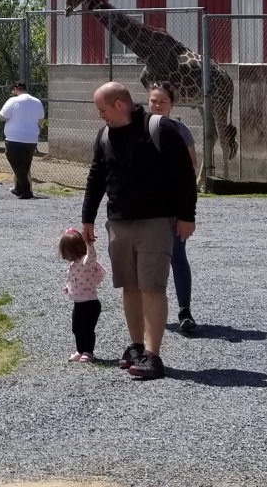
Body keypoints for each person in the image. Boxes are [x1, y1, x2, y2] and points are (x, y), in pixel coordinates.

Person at [81, 81, 196, 381]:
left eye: (102, 109)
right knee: (129, 285)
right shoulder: (105, 135)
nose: (100, 116)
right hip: (119, 222)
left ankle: (153, 356)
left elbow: (185, 175)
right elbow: (96, 177)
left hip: (156, 222)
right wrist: (87, 218)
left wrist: (187, 216)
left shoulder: (160, 129)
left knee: (152, 287)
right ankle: (135, 348)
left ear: (119, 104)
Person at [148, 83, 200, 335]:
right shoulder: (140, 128)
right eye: (153, 101)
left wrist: (185, 210)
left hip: (173, 206)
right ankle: (150, 310)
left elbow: (191, 166)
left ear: (172, 104)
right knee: (149, 259)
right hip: (148, 207)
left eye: (162, 102)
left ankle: (184, 311)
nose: (157, 105)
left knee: (177, 256)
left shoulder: (181, 131)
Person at [59, 227, 106, 363]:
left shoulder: (86, 262)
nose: (66, 255)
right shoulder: (73, 264)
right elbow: (74, 279)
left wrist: (90, 245)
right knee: (76, 328)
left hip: (90, 304)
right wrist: (69, 288)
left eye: (67, 252)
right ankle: (79, 350)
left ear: (76, 249)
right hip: (78, 303)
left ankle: (88, 352)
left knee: (87, 329)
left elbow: (92, 256)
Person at [0, 81, 45, 199]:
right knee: (25, 165)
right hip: (32, 138)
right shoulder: (36, 101)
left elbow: (2, 116)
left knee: (16, 165)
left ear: (15, 89)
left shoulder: (13, 100)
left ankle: (26, 190)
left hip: (15, 138)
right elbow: (41, 117)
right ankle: (18, 188)